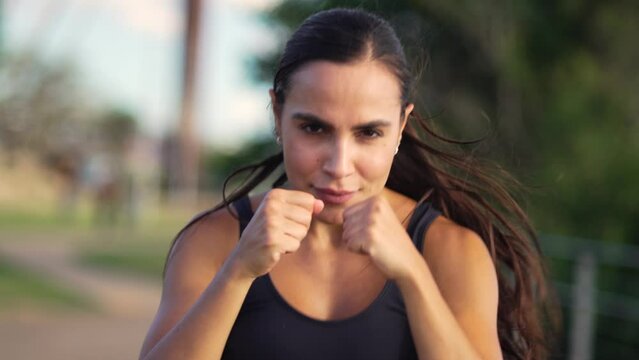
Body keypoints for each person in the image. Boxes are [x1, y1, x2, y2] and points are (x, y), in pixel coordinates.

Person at [140, 8, 555, 360]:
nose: (339, 166)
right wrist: (236, 274)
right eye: (315, 128)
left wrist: (413, 275)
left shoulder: (451, 250)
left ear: (400, 128)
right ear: (277, 115)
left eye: (368, 133)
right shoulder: (215, 240)